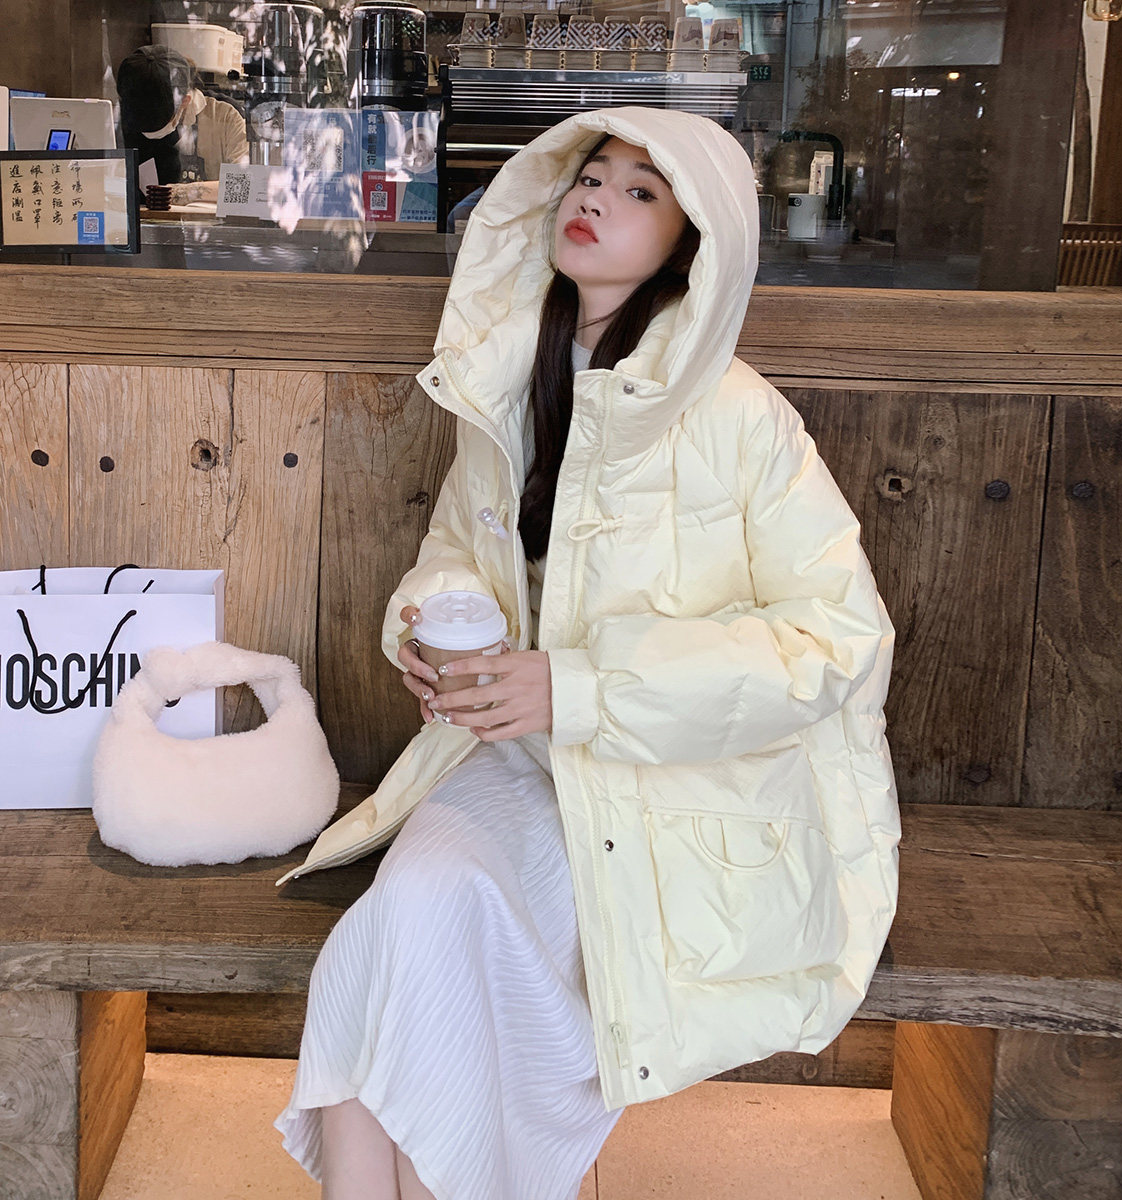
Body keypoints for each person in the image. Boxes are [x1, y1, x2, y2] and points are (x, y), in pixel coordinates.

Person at [275, 106, 900, 1200]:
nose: (598, 200)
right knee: (398, 927)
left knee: (421, 953)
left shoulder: (741, 415)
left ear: (691, 244)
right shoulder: (508, 378)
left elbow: (835, 640)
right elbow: (457, 552)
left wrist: (582, 690)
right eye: (591, 176)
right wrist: (429, 628)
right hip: (516, 764)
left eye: (640, 192)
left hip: (672, 789)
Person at [116, 45, 248, 202]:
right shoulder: (119, 119)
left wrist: (181, 192)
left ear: (185, 101)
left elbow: (245, 186)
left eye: (160, 120)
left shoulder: (225, 117)